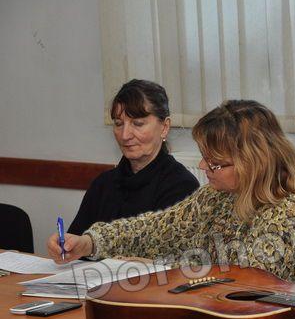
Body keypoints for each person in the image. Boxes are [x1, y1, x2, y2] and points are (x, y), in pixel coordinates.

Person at [48, 100, 295, 284]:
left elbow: (247, 281)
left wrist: (161, 268)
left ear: (251, 163)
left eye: (215, 162)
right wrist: (90, 242)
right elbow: (157, 229)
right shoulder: (217, 195)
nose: (204, 166)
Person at [67, 79, 199, 235]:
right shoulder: (103, 184)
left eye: (138, 124)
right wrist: (67, 245)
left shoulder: (182, 187)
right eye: (118, 124)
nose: (125, 135)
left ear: (164, 127)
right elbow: (75, 238)